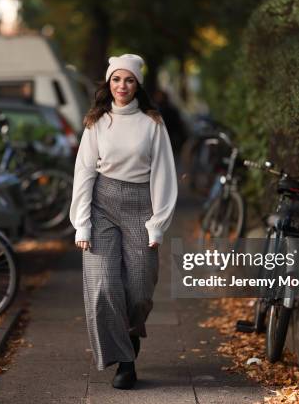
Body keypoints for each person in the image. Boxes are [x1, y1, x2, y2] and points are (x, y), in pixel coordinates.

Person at [69, 53, 178, 389]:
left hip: (140, 207)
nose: (122, 86)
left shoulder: (152, 124)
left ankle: (130, 333)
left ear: (137, 84)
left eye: (128, 80)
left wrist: (158, 223)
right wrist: (82, 223)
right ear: (108, 83)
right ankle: (125, 361)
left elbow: (164, 174)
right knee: (104, 284)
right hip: (102, 206)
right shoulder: (96, 123)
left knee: (141, 288)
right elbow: (84, 173)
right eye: (116, 79)